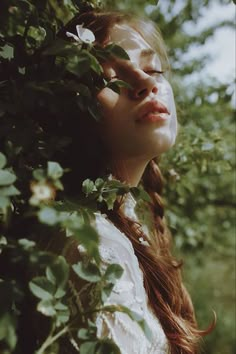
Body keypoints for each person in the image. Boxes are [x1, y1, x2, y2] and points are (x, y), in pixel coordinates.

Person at [51, 9, 213, 354]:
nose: (146, 82)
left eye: (154, 69)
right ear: (73, 108)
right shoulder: (89, 247)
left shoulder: (119, 230)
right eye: (111, 77)